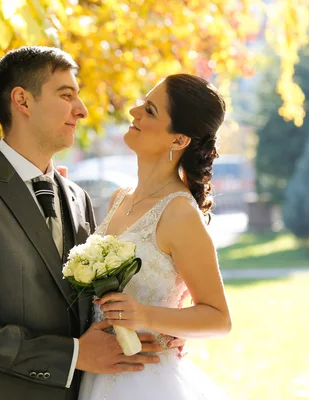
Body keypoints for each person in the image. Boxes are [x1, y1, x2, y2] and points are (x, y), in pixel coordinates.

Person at [0, 46, 181, 400]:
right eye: (66, 95)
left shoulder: (79, 199)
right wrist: (75, 355)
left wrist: (165, 324)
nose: (82, 110)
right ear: (22, 101)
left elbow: (92, 300)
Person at [79, 74, 232, 400]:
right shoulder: (119, 197)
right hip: (97, 372)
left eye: (149, 110)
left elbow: (219, 318)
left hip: (144, 381)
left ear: (178, 141)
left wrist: (146, 316)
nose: (133, 111)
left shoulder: (179, 213)